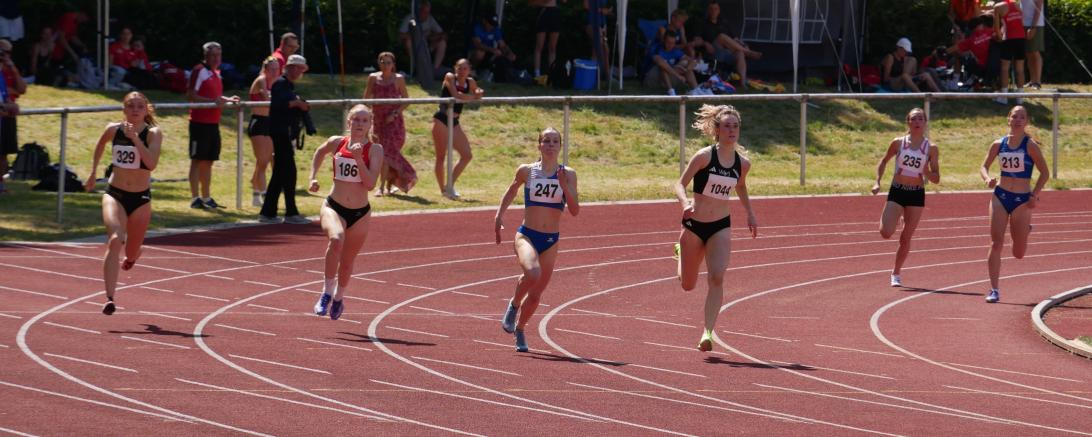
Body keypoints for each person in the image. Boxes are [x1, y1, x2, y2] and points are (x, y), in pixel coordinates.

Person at [674, 104, 757, 352]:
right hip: (694, 225)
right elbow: (679, 184)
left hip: (720, 226)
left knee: (717, 276)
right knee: (687, 285)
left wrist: (750, 213)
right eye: (727, 126)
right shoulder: (704, 156)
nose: (732, 130)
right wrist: (685, 203)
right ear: (717, 130)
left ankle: (707, 332)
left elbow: (740, 186)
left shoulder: (743, 164)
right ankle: (680, 253)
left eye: (735, 126)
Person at [496, 127, 580, 352]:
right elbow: (512, 190)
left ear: (560, 146)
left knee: (535, 296)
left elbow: (575, 210)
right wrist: (499, 215)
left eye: (555, 141)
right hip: (527, 235)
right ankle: (514, 305)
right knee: (533, 273)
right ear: (539, 145)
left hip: (551, 241)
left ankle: (520, 329)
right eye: (546, 141)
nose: (551, 145)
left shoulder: (568, 174)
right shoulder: (527, 171)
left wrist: (564, 186)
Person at [82, 92, 163, 315]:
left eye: (140, 106)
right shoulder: (113, 129)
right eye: (130, 106)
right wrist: (93, 172)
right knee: (115, 239)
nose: (135, 110)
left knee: (131, 251)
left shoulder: (153, 133)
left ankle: (134, 255)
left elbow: (151, 163)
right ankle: (109, 297)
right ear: (124, 109)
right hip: (114, 194)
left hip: (140, 199)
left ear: (146, 110)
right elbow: (100, 145)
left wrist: (135, 138)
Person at [308, 105, 383, 320]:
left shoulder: (375, 150)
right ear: (349, 122)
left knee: (348, 262)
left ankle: (339, 298)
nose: (359, 124)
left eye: (364, 120)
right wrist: (313, 177)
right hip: (334, 206)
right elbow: (319, 152)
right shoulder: (336, 142)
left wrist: (359, 158)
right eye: (356, 119)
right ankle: (326, 293)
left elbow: (370, 184)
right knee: (336, 240)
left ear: (370, 125)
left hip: (360, 214)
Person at [979, 105, 1049, 303]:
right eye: (1014, 116)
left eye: (1022, 117)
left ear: (1026, 122)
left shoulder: (1030, 145)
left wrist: (1034, 195)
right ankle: (994, 289)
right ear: (1008, 119)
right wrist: (987, 179)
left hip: (1022, 201)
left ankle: (1024, 231)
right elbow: (984, 166)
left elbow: (1045, 173)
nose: (1018, 120)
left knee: (1018, 253)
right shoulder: (998, 144)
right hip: (1000, 196)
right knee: (996, 243)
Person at [870, 108, 941, 287]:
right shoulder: (898, 143)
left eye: (921, 119)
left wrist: (926, 171)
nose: (917, 122)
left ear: (925, 123)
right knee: (886, 233)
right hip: (898, 190)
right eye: (914, 119)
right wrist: (877, 182)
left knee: (906, 237)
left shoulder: (931, 148)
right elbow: (883, 161)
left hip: (916, 193)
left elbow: (936, 178)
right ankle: (898, 214)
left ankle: (896, 272)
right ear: (908, 122)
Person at [259, 54, 313, 225]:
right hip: (280, 132)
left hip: (284, 133)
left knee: (280, 173)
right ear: (291, 68)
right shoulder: (281, 84)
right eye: (299, 69)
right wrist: (297, 104)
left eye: (302, 69)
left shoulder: (287, 85)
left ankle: (268, 212)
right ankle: (290, 212)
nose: (300, 72)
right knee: (289, 172)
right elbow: (278, 104)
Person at [187, 41, 240, 210]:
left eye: (218, 55)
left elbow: (216, 97)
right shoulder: (199, 70)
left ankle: (206, 196)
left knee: (209, 161)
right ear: (206, 56)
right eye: (213, 55)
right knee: (197, 160)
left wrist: (227, 99)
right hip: (199, 123)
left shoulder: (216, 72)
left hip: (213, 123)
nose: (216, 58)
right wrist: (212, 101)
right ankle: (195, 198)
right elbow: (191, 95)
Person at [364, 51, 416, 196]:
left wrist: (394, 114)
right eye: (383, 62)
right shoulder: (373, 78)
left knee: (387, 153)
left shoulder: (399, 79)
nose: (385, 65)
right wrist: (368, 116)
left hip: (394, 123)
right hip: (378, 121)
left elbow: (406, 100)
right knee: (383, 154)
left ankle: (383, 187)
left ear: (393, 64)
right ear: (378, 63)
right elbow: (366, 99)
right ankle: (386, 186)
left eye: (388, 62)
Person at [431, 58, 483, 199]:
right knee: (441, 156)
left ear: (469, 70)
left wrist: (478, 92)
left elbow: (478, 92)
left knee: (467, 155)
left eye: (465, 68)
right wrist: (473, 97)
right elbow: (456, 95)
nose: (462, 71)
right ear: (455, 68)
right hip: (442, 119)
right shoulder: (450, 77)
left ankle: (450, 185)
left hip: (454, 121)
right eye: (459, 68)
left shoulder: (470, 81)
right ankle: (443, 190)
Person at [693, 1, 762, 87]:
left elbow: (734, 38)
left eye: (715, 9)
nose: (713, 11)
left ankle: (742, 82)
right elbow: (696, 39)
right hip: (713, 51)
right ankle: (748, 52)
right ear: (708, 11)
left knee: (740, 53)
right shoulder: (703, 23)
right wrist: (705, 43)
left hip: (727, 51)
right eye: (711, 9)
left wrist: (743, 44)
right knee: (721, 36)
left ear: (719, 10)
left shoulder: (723, 23)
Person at [247, 57, 278, 206]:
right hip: (258, 122)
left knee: (265, 161)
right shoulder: (261, 80)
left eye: (277, 69)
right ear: (265, 69)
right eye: (272, 69)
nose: (275, 72)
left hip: (269, 122)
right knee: (263, 161)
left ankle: (255, 188)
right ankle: (264, 195)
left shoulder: (275, 83)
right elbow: (268, 100)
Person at [0, 38, 26, 194]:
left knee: (3, 151)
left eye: (8, 52)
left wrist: (13, 69)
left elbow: (21, 89)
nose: (5, 55)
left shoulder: (9, 69)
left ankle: (1, 184)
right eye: (3, 52)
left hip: (8, 114)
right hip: (4, 109)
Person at [399, 1, 447, 77]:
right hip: (414, 47)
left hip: (426, 46)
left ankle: (434, 70)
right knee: (408, 42)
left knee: (442, 43)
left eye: (427, 12)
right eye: (423, 11)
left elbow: (442, 34)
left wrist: (432, 37)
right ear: (418, 10)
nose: (425, 14)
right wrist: (415, 36)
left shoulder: (430, 19)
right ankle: (415, 68)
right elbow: (401, 35)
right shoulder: (410, 18)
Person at [645, 30, 700, 96]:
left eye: (673, 43)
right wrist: (678, 75)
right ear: (663, 40)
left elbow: (692, 60)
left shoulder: (675, 50)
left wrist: (687, 69)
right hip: (651, 78)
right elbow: (660, 62)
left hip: (667, 77)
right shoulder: (656, 48)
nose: (670, 45)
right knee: (662, 66)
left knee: (685, 63)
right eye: (668, 42)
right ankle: (670, 91)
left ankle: (696, 90)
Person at [946, 15, 996, 85]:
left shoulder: (970, 41)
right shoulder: (990, 32)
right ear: (979, 25)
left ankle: (957, 80)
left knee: (959, 57)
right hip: (996, 65)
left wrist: (938, 52)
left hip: (981, 68)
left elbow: (953, 49)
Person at [993, 0, 1026, 104]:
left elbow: (996, 28)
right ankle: (1020, 97)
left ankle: (1004, 96)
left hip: (1008, 38)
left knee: (1004, 68)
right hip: (1021, 38)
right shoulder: (1018, 4)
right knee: (1020, 69)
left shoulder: (998, 6)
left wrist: (999, 37)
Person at [470, 15, 516, 81]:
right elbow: (477, 45)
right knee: (480, 53)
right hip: (474, 52)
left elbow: (502, 45)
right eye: (490, 24)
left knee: (505, 56)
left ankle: (500, 76)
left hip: (489, 53)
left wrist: (509, 53)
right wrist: (492, 50)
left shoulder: (495, 29)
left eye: (493, 24)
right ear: (484, 21)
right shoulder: (477, 28)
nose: (492, 26)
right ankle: (472, 70)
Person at [532, 0, 565, 82]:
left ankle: (552, 75)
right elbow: (532, 3)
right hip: (543, 12)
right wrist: (543, 3)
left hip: (555, 12)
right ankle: (537, 74)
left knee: (552, 47)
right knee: (539, 46)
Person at [584, 0, 611, 81]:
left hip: (602, 22)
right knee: (599, 48)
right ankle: (597, 76)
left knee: (604, 50)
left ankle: (604, 76)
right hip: (593, 22)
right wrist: (602, 11)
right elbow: (586, 6)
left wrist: (607, 11)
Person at [1021, 0, 1044, 90]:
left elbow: (1038, 8)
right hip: (1024, 24)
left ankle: (1037, 82)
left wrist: (1033, 27)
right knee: (1029, 53)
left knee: (1035, 52)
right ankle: (1032, 80)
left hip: (1035, 25)